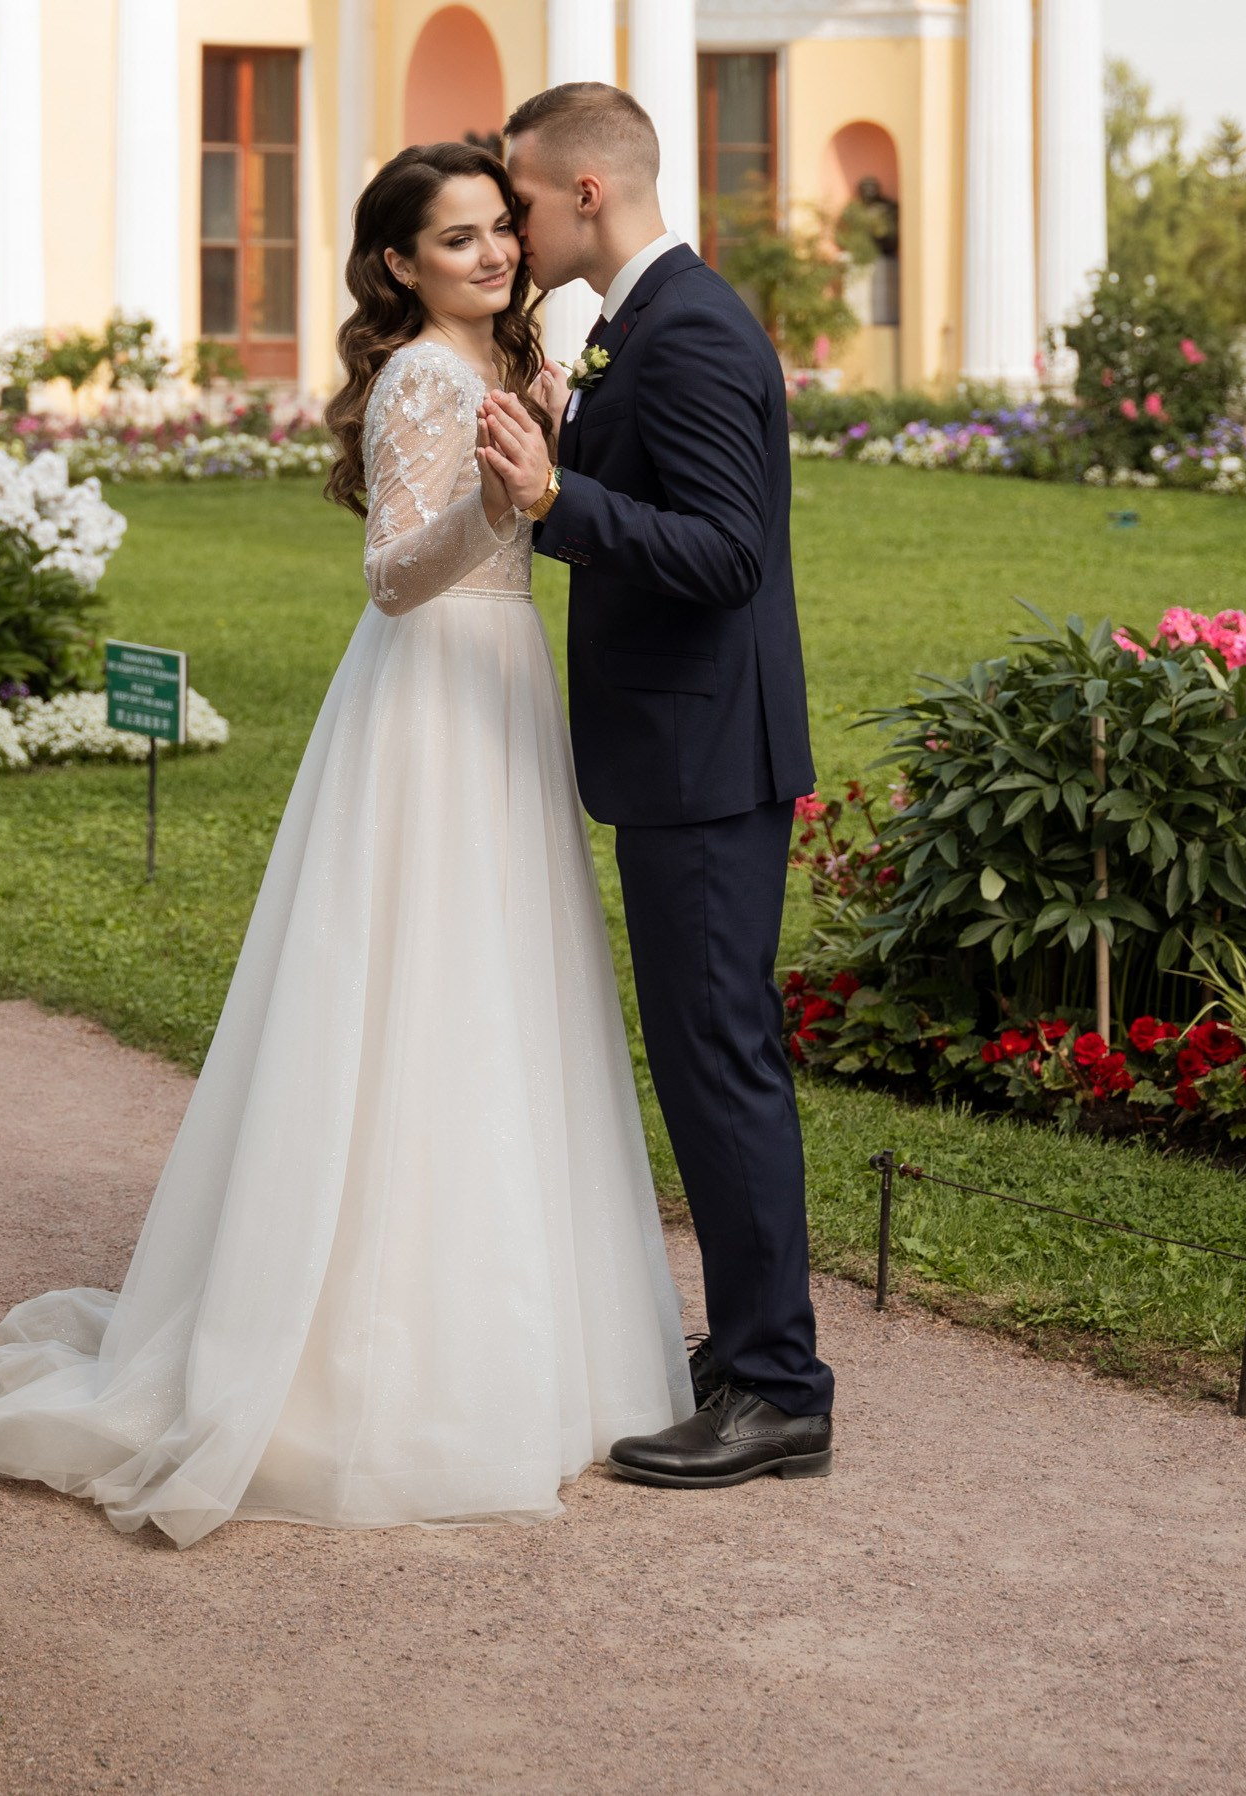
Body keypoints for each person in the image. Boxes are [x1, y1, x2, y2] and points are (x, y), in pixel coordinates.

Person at [0, 141, 689, 1543]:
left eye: (497, 232)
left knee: (503, 997)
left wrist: (536, 436)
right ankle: (379, 1356)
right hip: (429, 701)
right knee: (420, 992)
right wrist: (502, 496)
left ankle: (519, 1333)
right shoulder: (424, 377)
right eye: (457, 239)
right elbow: (392, 575)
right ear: (399, 265)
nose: (490, 254)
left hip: (501, 695)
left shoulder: (509, 369)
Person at [475, 81, 835, 1488]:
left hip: (706, 759)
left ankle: (776, 1384)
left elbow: (726, 555)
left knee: (720, 1057)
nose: (507, 225)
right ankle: (750, 1346)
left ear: (583, 193)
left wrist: (561, 500)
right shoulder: (641, 323)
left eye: (518, 196)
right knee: (704, 1054)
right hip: (685, 751)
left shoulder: (685, 332)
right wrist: (571, 450)